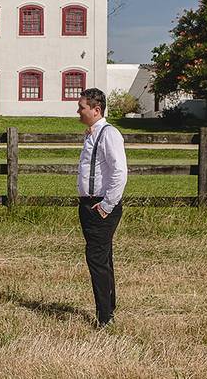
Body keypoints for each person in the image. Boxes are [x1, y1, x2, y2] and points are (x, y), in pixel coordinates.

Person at [76, 88, 127, 328]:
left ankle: (104, 317)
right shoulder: (93, 133)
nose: (78, 111)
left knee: (96, 258)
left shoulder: (109, 134)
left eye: (82, 107)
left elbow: (119, 172)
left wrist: (107, 205)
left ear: (96, 110)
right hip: (89, 204)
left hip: (100, 205)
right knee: (103, 257)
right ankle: (109, 308)